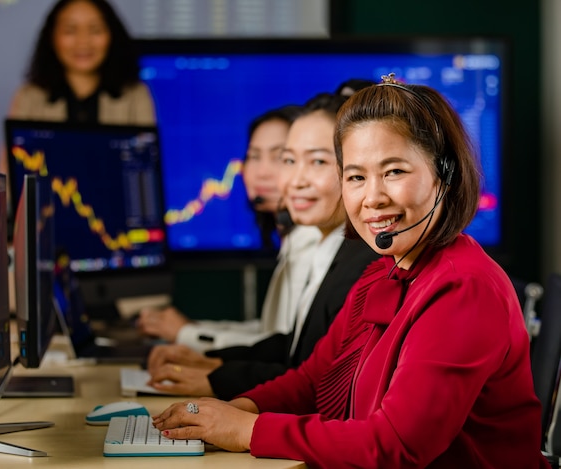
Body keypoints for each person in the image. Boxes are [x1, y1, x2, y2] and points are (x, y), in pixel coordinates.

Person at [151, 74, 548, 468]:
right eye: (356, 177)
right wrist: (228, 412)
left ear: (444, 175)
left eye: (394, 171)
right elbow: (312, 380)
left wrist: (246, 431)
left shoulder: (463, 288)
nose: (372, 197)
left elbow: (396, 446)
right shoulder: (382, 273)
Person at [145, 94, 379, 399]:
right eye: (290, 160)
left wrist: (220, 383)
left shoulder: (365, 265)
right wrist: (216, 363)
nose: (294, 179)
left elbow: (319, 383)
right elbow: (295, 349)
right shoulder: (331, 249)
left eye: (318, 161)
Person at [137, 105, 324, 352]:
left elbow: (285, 349)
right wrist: (193, 328)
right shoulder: (294, 239)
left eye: (281, 157)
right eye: (254, 156)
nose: (261, 172)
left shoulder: (313, 241)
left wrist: (187, 333)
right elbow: (271, 332)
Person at [5, 0, 155, 129]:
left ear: (112, 36)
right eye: (70, 31)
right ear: (52, 37)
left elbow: (146, 160)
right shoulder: (29, 98)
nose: (83, 41)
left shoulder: (136, 96)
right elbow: (12, 161)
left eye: (95, 30)